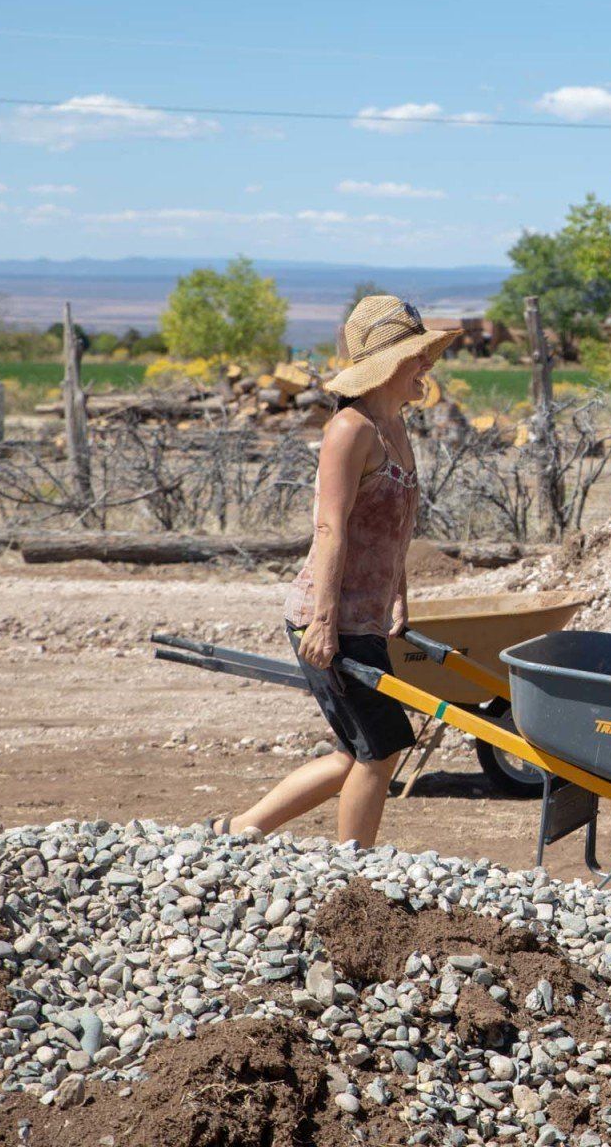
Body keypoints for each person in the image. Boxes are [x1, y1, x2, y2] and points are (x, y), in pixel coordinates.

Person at [210, 294, 457, 846]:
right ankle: (355, 870)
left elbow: (395, 528)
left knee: (355, 752)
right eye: (418, 357)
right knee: (383, 746)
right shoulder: (351, 429)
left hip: (364, 618)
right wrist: (322, 623)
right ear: (387, 365)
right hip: (330, 617)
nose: (427, 367)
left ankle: (239, 829)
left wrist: (399, 595)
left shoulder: (394, 425)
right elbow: (330, 529)